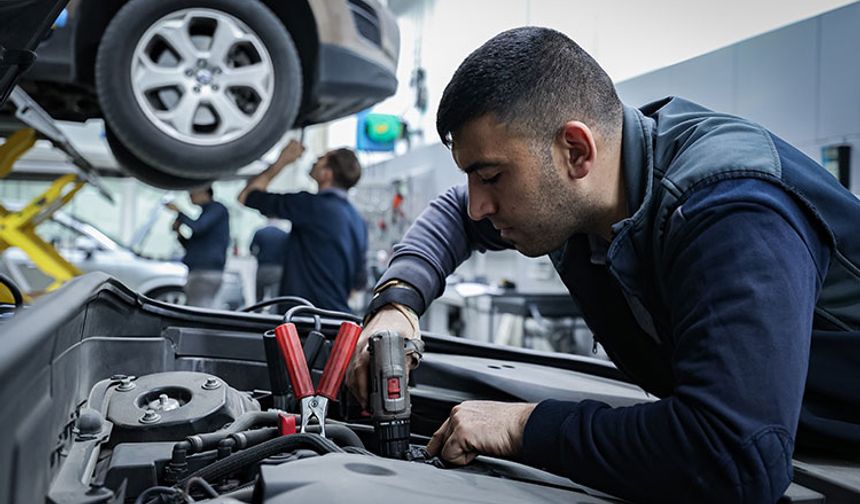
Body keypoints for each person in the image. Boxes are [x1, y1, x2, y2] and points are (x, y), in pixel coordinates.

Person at [345, 27, 860, 503]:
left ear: (575, 150)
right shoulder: (589, 197)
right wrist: (397, 305)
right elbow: (453, 214)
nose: (479, 204)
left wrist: (523, 427)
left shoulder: (731, 208)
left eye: (492, 176)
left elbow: (736, 455)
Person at [238, 140, 368, 312]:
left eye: (320, 159)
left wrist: (282, 161)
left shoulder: (311, 205)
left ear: (326, 174)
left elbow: (246, 196)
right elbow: (359, 282)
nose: (314, 161)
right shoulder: (358, 220)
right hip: (337, 321)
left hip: (303, 321)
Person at [165, 186, 230, 308]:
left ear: (205, 191)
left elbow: (198, 227)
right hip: (199, 270)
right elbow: (192, 246)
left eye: (192, 192)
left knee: (199, 311)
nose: (190, 195)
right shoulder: (206, 213)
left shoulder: (217, 209)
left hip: (206, 271)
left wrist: (179, 212)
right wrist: (179, 232)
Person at [250, 220, 290, 304]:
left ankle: (256, 315)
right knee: (275, 299)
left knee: (259, 298)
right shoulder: (284, 234)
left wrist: (259, 256)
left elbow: (252, 250)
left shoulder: (260, 232)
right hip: (278, 269)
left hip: (262, 267)